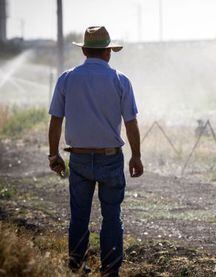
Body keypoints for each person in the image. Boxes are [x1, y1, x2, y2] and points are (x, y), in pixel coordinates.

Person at [48, 26, 144, 276]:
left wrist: (53, 154)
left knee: (79, 216)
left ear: (85, 51)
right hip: (110, 157)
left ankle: (76, 266)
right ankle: (110, 269)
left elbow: (56, 120)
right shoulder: (120, 80)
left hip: (78, 157)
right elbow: (130, 122)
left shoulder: (67, 78)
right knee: (112, 216)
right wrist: (136, 155)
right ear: (107, 52)